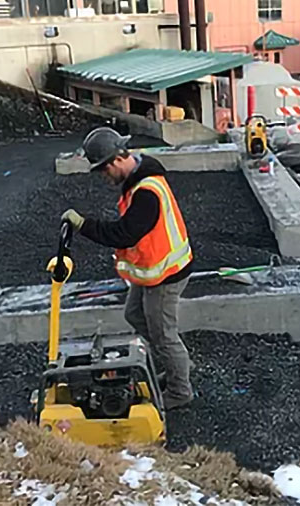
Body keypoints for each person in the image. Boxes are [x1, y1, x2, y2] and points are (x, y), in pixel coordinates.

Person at [61, 127, 194, 410]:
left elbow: (124, 234)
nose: (104, 178)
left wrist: (84, 225)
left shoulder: (146, 191)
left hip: (166, 273)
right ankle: (174, 366)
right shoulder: (140, 174)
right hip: (156, 268)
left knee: (163, 334)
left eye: (103, 171)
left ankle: (180, 390)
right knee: (134, 313)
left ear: (115, 161)